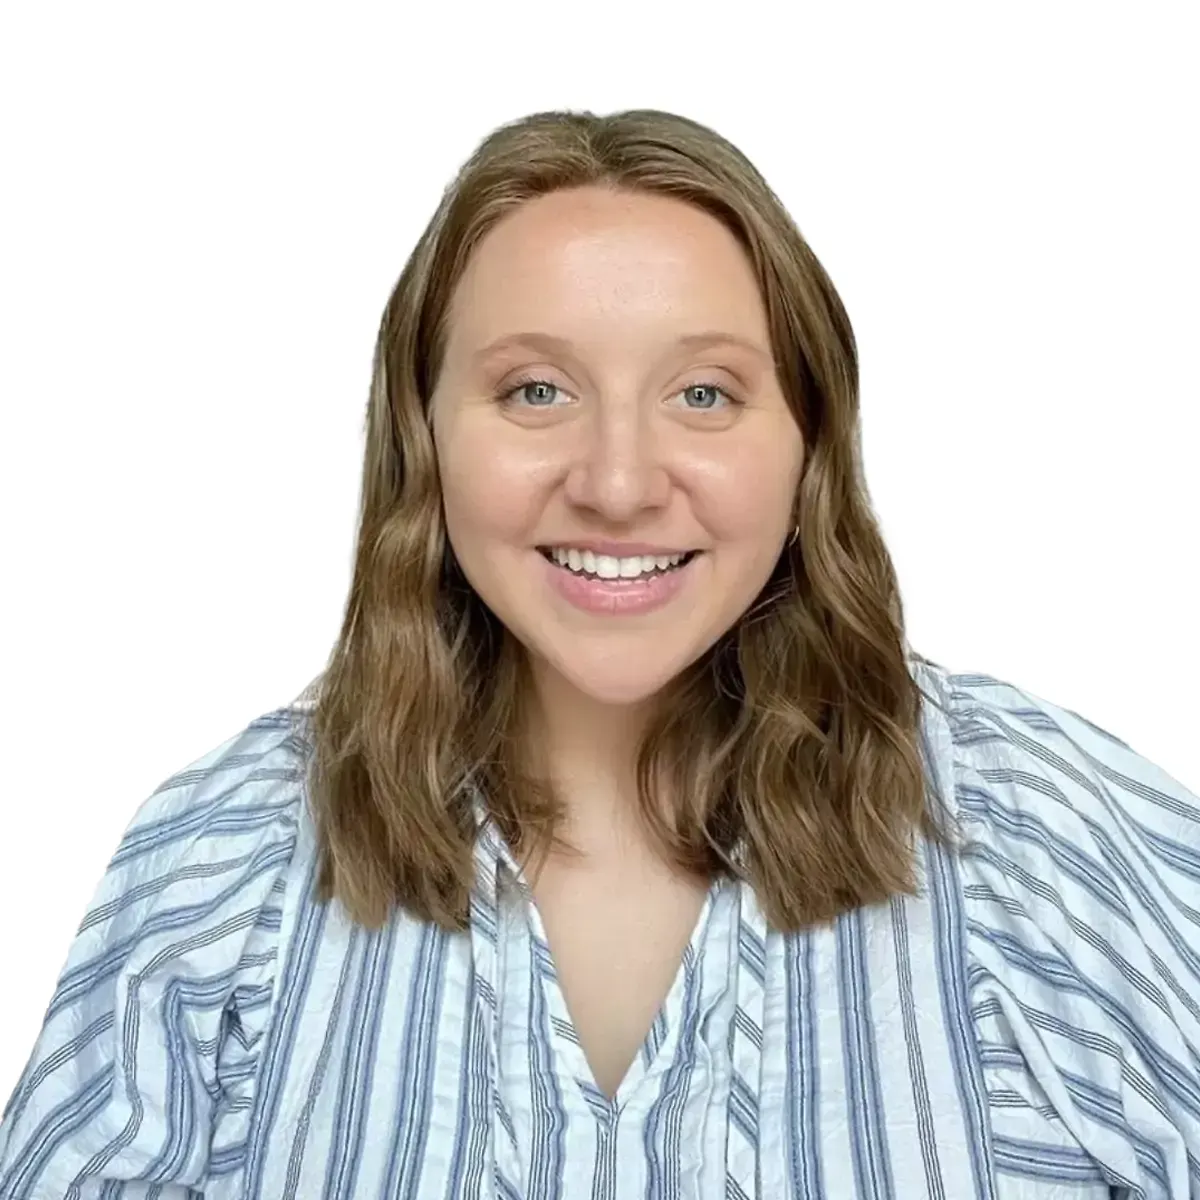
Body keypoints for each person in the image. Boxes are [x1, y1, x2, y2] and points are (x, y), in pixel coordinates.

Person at [1, 107, 1197, 1200]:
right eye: (535, 391)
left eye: (704, 394)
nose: (618, 484)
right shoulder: (226, 858)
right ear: (422, 437)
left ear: (809, 444)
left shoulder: (1032, 833)